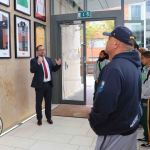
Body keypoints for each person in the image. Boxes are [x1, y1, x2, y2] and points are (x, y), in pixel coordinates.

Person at [89, 26, 142, 150]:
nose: (106, 42)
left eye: (108, 39)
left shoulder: (114, 69)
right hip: (128, 128)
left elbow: (104, 105)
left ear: (115, 44)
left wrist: (93, 120)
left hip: (115, 133)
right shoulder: (133, 65)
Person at [30, 45, 61, 126]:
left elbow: (53, 69)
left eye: (43, 49)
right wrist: (38, 63)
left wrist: (58, 65)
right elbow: (32, 70)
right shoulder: (33, 60)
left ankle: (48, 118)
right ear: (37, 52)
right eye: (40, 50)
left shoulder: (48, 59)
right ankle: (39, 119)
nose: (42, 51)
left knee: (48, 103)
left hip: (48, 85)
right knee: (38, 103)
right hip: (40, 85)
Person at [139, 51, 150, 147]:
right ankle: (146, 136)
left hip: (147, 99)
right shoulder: (144, 69)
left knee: (147, 120)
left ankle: (149, 140)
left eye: (142, 58)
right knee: (143, 119)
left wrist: (145, 96)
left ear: (148, 58)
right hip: (142, 97)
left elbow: (148, 87)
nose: (141, 60)